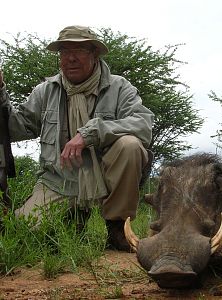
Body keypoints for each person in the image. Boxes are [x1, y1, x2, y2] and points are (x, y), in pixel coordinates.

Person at [0, 25, 154, 251]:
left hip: (106, 177)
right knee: (25, 234)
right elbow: (16, 129)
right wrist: (0, 92)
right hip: (59, 181)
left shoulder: (119, 87)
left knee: (130, 145)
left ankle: (117, 228)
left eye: (79, 51)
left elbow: (143, 124)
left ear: (94, 54)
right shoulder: (45, 90)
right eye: (64, 51)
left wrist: (90, 133)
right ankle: (72, 217)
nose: (70, 58)